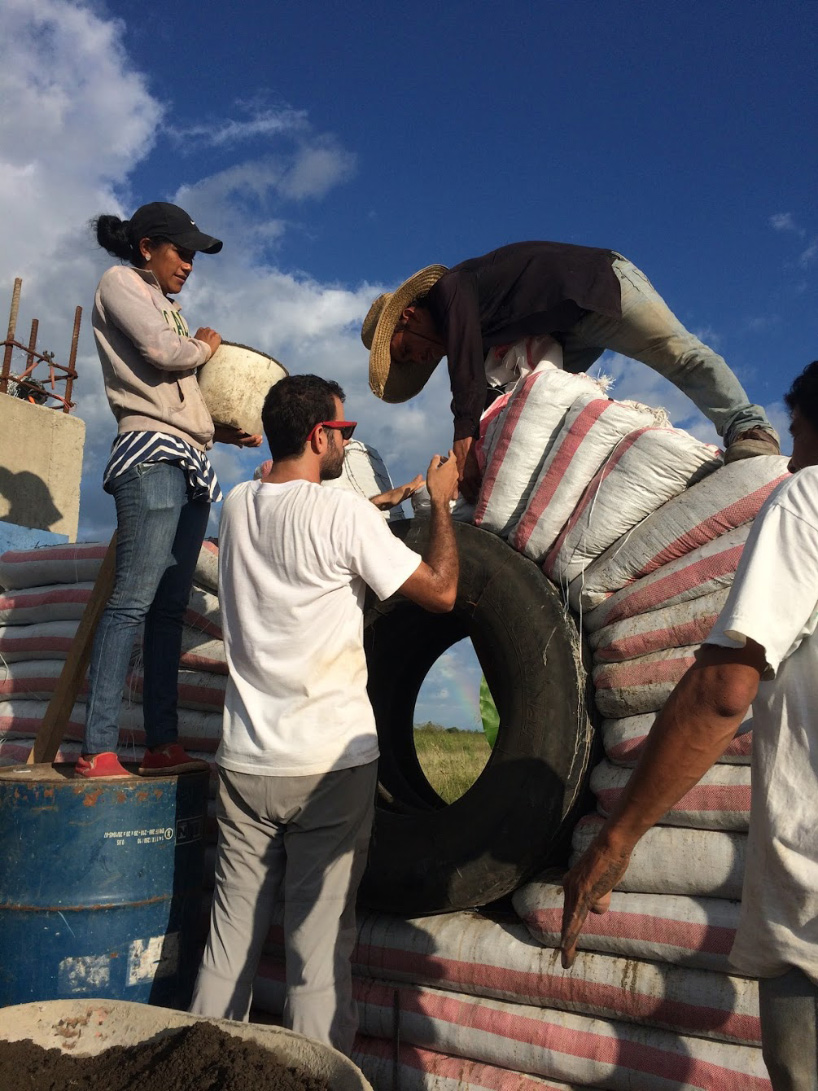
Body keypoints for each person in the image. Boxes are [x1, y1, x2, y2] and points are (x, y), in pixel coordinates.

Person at [561, 359, 818, 1090]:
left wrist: (615, 839)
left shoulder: (808, 499)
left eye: (801, 437)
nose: (790, 460)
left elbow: (723, 689)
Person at [190, 374, 460, 1053]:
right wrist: (439, 504)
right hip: (329, 769)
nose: (348, 441)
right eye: (344, 431)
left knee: (228, 944)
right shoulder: (344, 517)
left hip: (246, 762)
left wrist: (383, 501)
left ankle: (198, 1061)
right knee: (316, 954)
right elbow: (441, 592)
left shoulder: (238, 506)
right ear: (318, 436)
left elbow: (293, 511)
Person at [361, 242, 780, 500]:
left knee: (675, 352)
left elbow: (466, 375)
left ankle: (749, 428)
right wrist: (467, 466)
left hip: (596, 288)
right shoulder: (473, 336)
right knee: (527, 410)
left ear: (408, 317)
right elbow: (487, 400)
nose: (419, 360)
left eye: (406, 351)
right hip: (566, 332)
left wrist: (465, 446)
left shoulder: (450, 290)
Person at [77, 202, 262, 780]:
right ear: (146, 248)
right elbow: (161, 355)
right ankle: (97, 749)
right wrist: (206, 347)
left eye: (193, 256)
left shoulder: (171, 309)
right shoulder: (121, 283)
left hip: (190, 459)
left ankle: (161, 742)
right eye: (181, 252)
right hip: (151, 456)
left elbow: (177, 392)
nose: (188, 264)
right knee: (132, 600)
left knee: (167, 608)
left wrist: (220, 431)